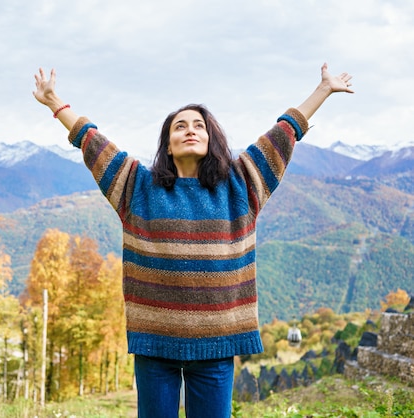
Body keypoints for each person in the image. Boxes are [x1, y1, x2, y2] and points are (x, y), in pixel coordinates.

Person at [32, 63, 353, 418]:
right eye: (179, 126)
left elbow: (283, 134)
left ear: (211, 139)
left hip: (217, 346)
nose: (190, 130)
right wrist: (55, 103)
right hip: (155, 345)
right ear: (167, 146)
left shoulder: (240, 185)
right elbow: (94, 144)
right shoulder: (138, 187)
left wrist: (323, 90)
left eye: (199, 125)